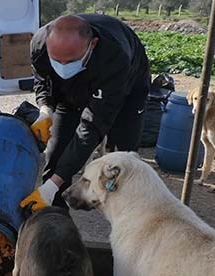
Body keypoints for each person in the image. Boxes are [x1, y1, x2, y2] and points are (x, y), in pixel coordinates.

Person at [21, 14, 150, 211]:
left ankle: (126, 218)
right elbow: (42, 80)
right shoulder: (39, 44)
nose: (63, 67)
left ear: (93, 44)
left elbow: (90, 128)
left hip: (125, 91)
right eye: (57, 60)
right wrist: (45, 109)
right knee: (56, 153)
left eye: (70, 60)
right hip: (71, 91)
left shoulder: (116, 57)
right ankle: (55, 223)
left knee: (123, 159)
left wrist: (52, 186)